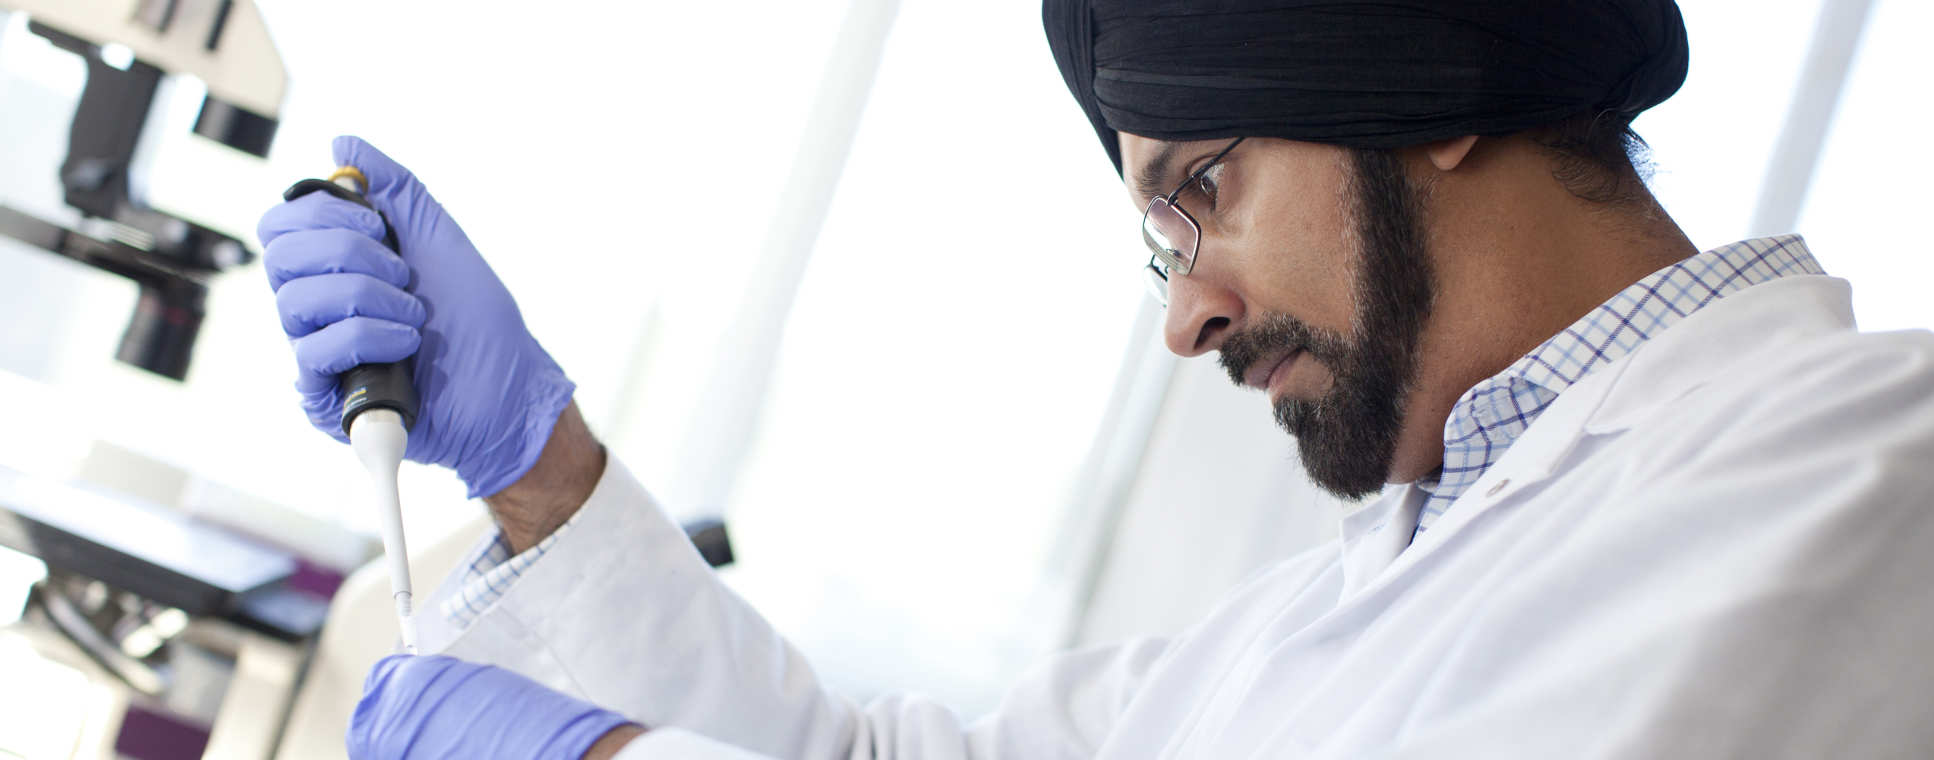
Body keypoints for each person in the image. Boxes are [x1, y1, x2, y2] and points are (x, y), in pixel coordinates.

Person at [255, 0, 1934, 757]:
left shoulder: (1867, 469)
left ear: (1422, 74)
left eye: (1202, 187)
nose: (1185, 318)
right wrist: (536, 464)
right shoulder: (1339, 604)